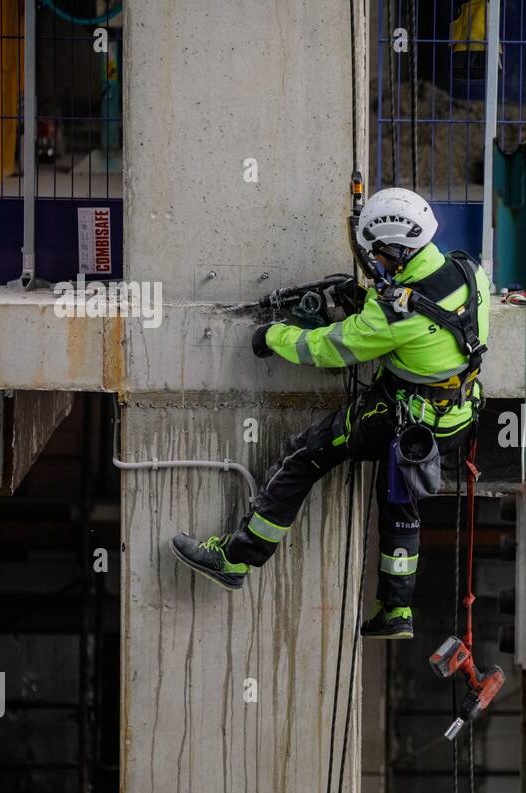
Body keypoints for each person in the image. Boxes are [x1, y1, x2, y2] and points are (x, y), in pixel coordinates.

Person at [170, 187, 489, 639]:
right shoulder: (469, 271)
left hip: (404, 416)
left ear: (398, 251)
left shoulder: (394, 315)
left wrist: (275, 336)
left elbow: (332, 348)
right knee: (399, 497)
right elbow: (433, 323)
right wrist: (373, 297)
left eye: (378, 254)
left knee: (303, 456)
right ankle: (396, 611)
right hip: (457, 418)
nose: (374, 261)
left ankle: (237, 557)